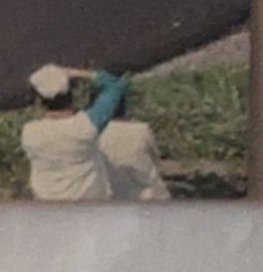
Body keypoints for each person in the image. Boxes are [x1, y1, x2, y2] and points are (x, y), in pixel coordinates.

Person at [20, 64, 128, 201]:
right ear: (71, 95)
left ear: (40, 101)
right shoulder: (86, 125)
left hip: (47, 204)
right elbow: (114, 86)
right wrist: (74, 73)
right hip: (91, 203)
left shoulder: (30, 132)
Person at [98, 96, 171, 202]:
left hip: (114, 198)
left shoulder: (95, 134)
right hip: (150, 196)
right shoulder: (142, 129)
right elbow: (155, 157)